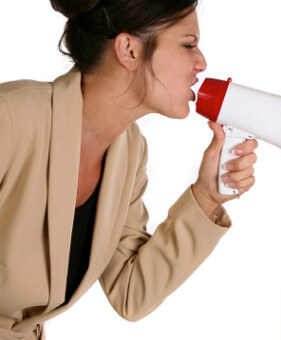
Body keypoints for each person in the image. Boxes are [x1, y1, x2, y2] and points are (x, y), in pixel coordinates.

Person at [0, 0, 258, 339]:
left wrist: (207, 196)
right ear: (129, 50)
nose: (201, 63)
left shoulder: (130, 153)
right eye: (188, 44)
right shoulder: (11, 118)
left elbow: (131, 292)